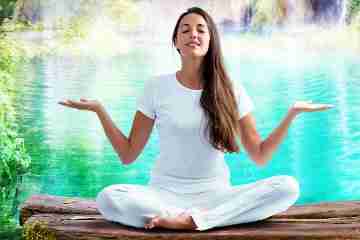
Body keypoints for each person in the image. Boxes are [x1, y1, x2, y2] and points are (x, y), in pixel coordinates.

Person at [58, 7, 333, 231]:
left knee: (287, 187)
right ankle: (195, 219)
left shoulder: (231, 89)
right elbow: (129, 154)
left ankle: (194, 221)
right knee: (108, 198)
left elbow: (259, 155)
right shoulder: (156, 86)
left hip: (216, 196)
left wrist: (291, 114)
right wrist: (100, 111)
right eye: (185, 30)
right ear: (176, 41)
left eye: (201, 29)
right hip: (163, 195)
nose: (193, 34)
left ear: (211, 39)